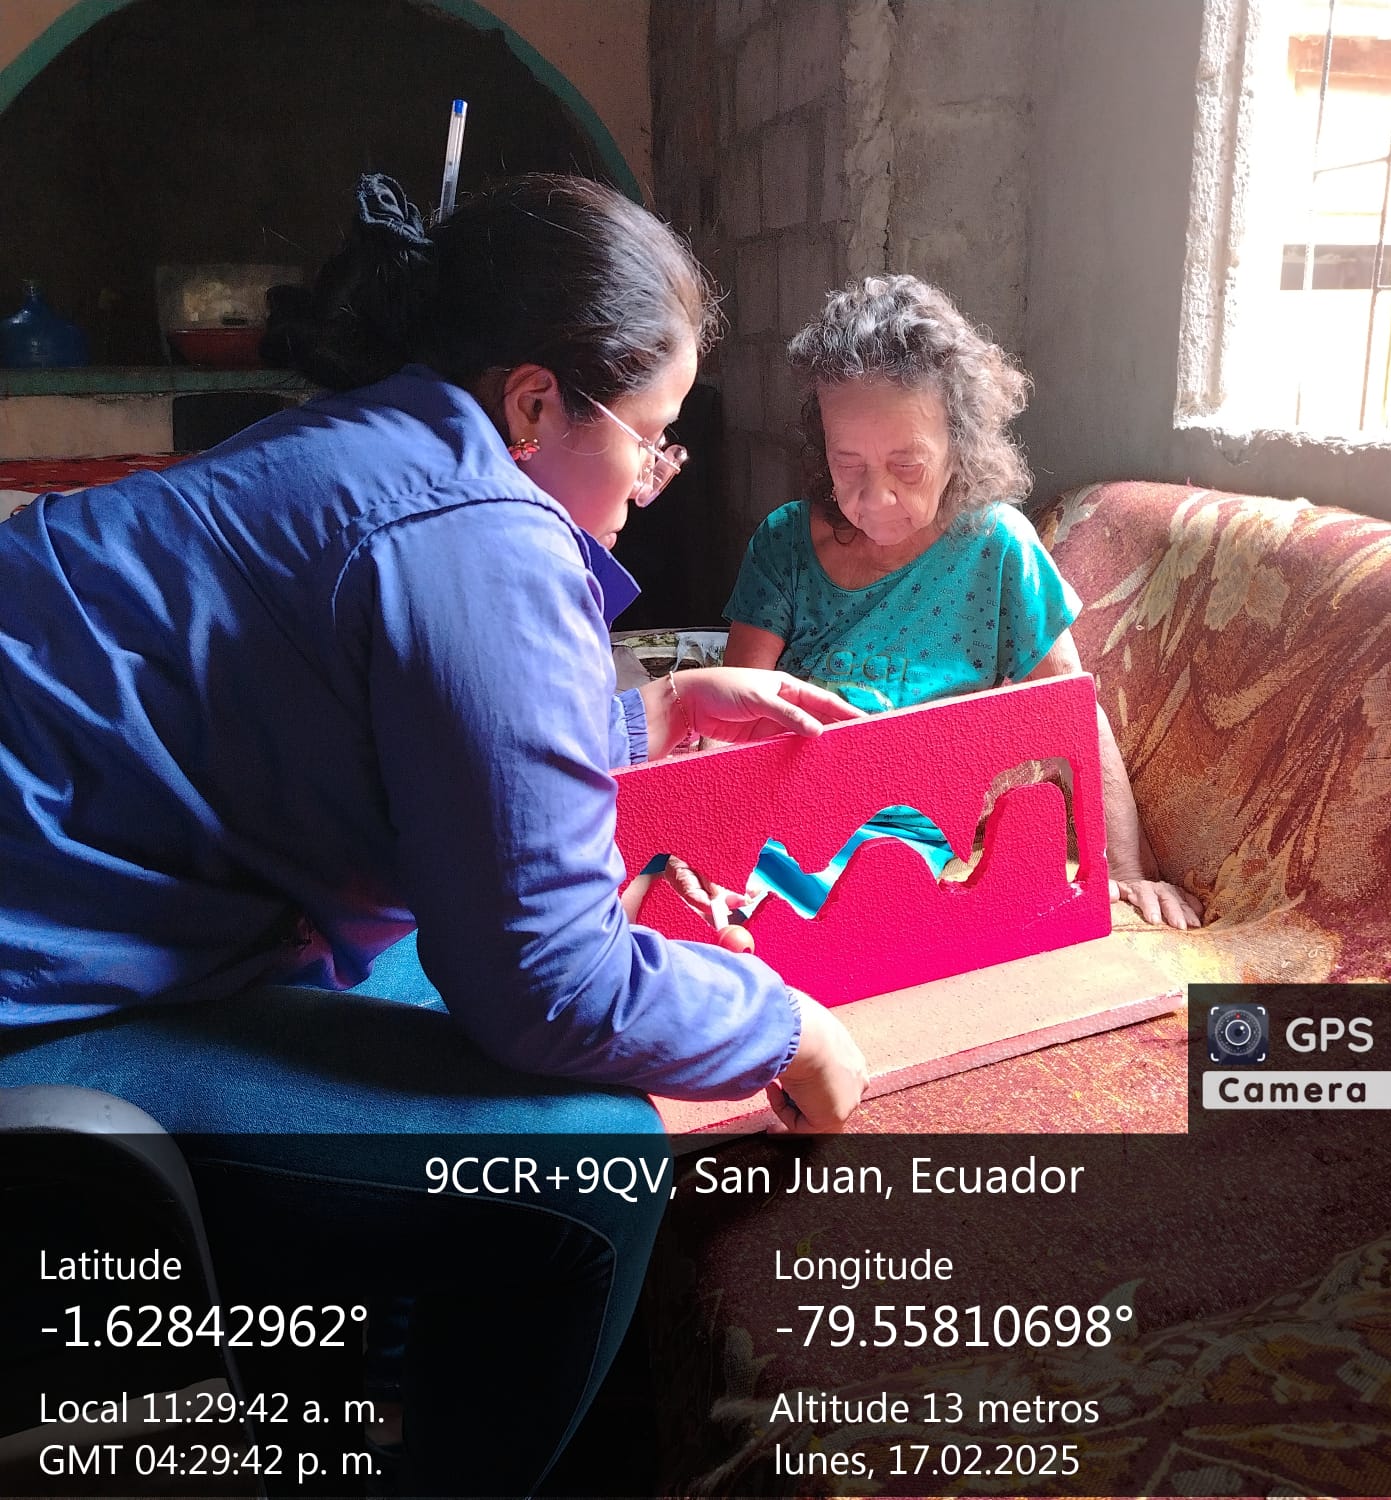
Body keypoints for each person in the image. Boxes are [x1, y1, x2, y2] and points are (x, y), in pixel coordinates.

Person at [0, 173, 869, 1495]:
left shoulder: (370, 442)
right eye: (649, 438)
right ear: (534, 405)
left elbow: (389, 723)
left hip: (76, 925)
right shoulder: (482, 530)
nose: (650, 483)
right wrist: (787, 1029)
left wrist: (649, 714)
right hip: (39, 1010)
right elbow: (548, 982)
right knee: (589, 1166)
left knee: (445, 981)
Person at [721, 275, 1203, 931]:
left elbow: (1071, 712)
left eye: (907, 465)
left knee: (817, 925)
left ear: (960, 445)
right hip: (777, 808)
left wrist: (1127, 870)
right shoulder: (784, 544)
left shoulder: (995, 549)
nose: (875, 497)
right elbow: (732, 720)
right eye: (848, 463)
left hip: (896, 840)